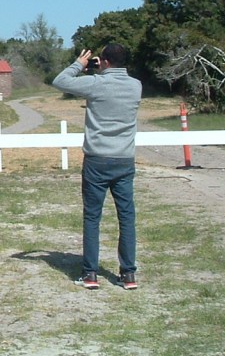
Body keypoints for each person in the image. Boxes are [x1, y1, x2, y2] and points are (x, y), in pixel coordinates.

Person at [52, 43, 142, 290]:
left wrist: (80, 65)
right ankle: (128, 274)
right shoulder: (136, 86)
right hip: (124, 159)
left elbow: (60, 81)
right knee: (126, 217)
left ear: (104, 61)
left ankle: (90, 274)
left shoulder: (96, 83)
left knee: (92, 217)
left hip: (97, 159)